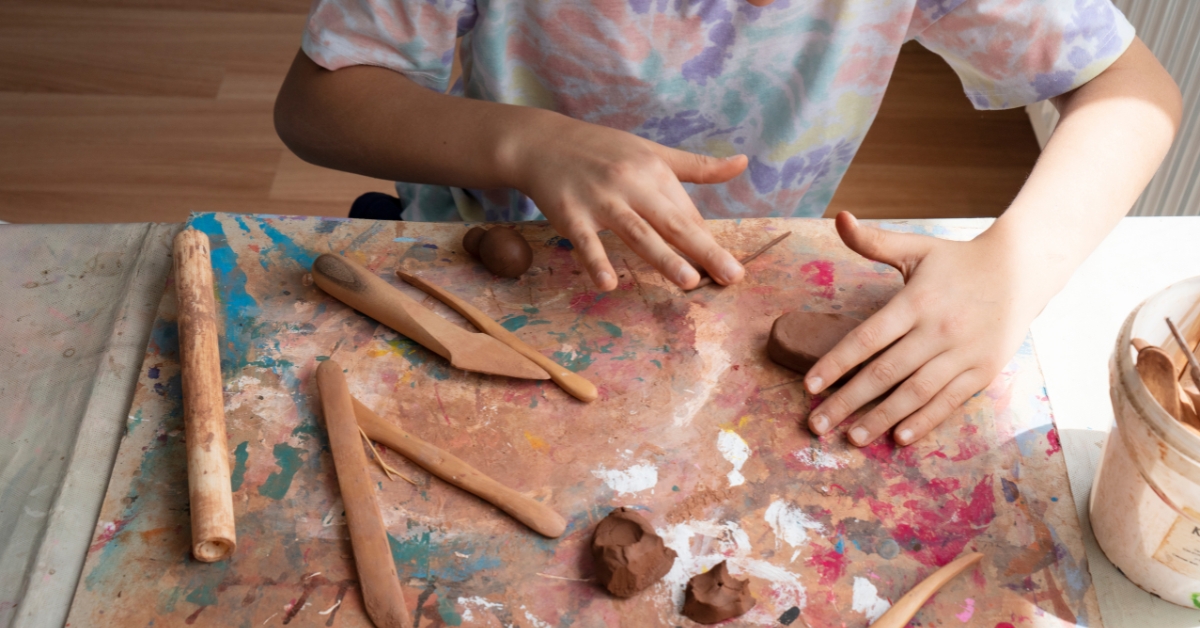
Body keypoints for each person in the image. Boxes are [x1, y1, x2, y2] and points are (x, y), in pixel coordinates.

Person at [274, 0, 1181, 447]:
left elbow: (1130, 90)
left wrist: (1014, 269)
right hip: (480, 269)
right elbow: (315, 106)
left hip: (740, 288)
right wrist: (523, 143)